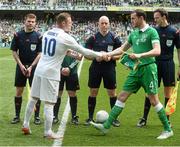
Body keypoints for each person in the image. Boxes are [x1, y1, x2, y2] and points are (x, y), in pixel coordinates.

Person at [90, 9, 173, 140]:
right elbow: (122, 49)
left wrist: (140, 54)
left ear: (141, 18)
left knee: (153, 100)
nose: (131, 21)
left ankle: (168, 129)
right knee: (122, 96)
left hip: (148, 69)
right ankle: (106, 126)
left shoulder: (152, 31)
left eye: (133, 18)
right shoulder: (133, 34)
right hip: (136, 69)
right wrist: (107, 54)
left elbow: (157, 51)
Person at [21, 12, 103, 139]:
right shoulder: (65, 37)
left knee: (33, 98)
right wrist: (101, 55)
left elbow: (57, 49)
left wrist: (71, 54)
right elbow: (85, 51)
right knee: (49, 103)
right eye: (70, 22)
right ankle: (48, 132)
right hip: (51, 73)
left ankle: (25, 124)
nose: (71, 25)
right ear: (63, 23)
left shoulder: (47, 32)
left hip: (39, 70)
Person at [137, 8, 180, 128]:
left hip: (168, 64)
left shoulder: (174, 31)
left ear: (164, 17)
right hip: (154, 64)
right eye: (154, 17)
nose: (154, 19)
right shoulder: (153, 31)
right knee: (149, 92)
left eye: (157, 17)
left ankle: (167, 120)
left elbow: (179, 50)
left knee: (168, 92)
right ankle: (144, 118)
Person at [84, 16, 122, 127]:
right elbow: (86, 54)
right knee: (93, 92)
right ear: (98, 24)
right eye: (102, 23)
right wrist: (96, 57)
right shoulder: (93, 38)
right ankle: (90, 117)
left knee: (112, 93)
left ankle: (114, 118)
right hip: (95, 68)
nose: (104, 25)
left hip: (109, 68)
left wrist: (110, 57)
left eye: (106, 23)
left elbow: (120, 54)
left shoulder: (115, 38)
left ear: (109, 24)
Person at [10, 13, 42, 125]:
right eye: (29, 21)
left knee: (36, 92)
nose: (30, 23)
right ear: (25, 21)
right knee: (19, 91)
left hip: (34, 67)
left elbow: (40, 53)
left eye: (33, 22)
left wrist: (32, 66)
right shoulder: (18, 35)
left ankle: (37, 117)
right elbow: (14, 51)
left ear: (35, 23)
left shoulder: (38, 36)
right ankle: (17, 116)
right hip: (21, 67)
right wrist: (21, 65)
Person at [53, 52, 83, 125]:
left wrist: (69, 68)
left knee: (72, 94)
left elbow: (78, 58)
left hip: (72, 72)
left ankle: (74, 116)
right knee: (58, 94)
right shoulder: (59, 42)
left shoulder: (75, 42)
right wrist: (61, 68)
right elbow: (54, 57)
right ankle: (55, 116)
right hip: (58, 72)